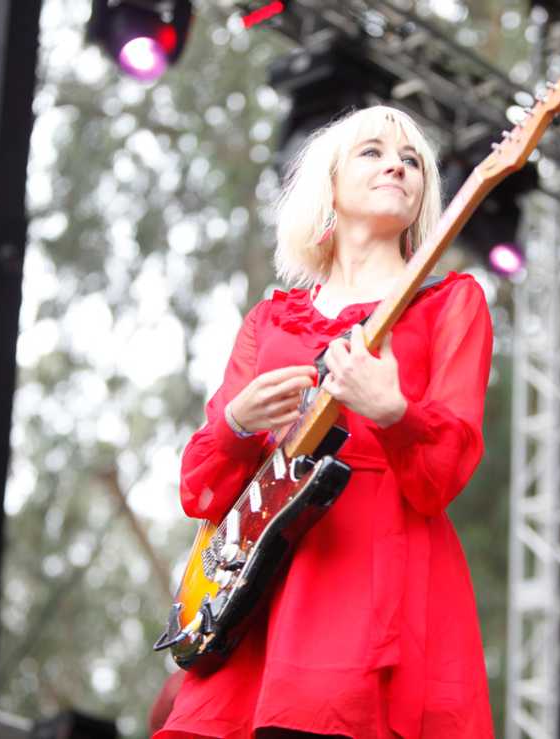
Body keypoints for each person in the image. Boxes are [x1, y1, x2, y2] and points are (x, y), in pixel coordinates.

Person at [154, 104, 494, 739]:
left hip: (374, 582)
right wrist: (236, 422)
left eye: (412, 159)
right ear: (328, 186)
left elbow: (441, 478)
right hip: (259, 595)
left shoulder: (452, 304)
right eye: (373, 151)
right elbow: (198, 489)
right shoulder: (270, 321)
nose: (397, 163)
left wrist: (394, 413)